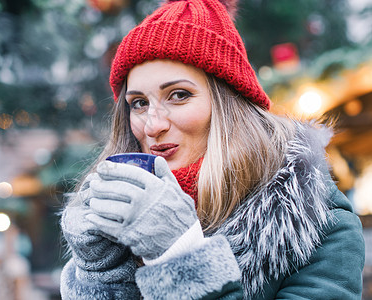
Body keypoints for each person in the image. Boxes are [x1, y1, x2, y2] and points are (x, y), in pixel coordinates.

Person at [59, 0, 365, 299]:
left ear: (228, 105)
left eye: (178, 95)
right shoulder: (122, 219)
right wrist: (101, 273)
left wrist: (179, 255)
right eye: (139, 103)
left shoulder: (320, 225)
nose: (152, 125)